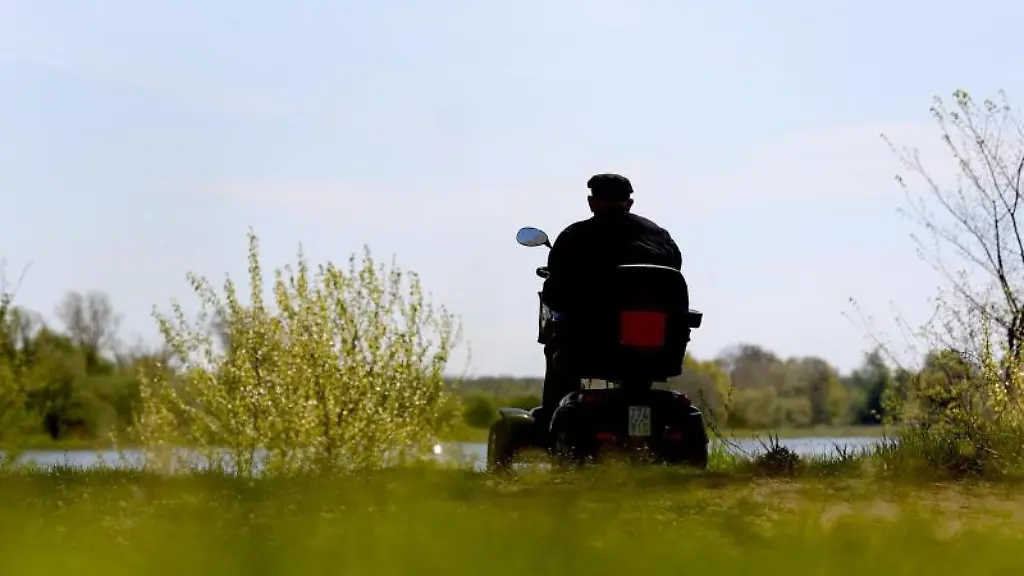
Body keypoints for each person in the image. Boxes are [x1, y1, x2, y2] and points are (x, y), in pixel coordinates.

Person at [535, 173, 682, 436]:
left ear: (591, 202)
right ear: (630, 203)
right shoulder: (661, 237)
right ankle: (639, 428)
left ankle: (548, 428)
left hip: (592, 345)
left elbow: (555, 294)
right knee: (639, 359)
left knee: (555, 346)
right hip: (657, 350)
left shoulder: (575, 236)